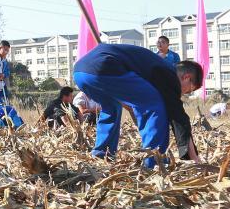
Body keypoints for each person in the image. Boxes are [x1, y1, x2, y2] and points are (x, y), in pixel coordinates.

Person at [73, 43, 203, 168]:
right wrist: (194, 158)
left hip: (81, 72)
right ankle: (155, 160)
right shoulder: (169, 75)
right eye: (189, 90)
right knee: (154, 104)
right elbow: (179, 118)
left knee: (111, 108)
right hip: (105, 66)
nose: (185, 93)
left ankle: (102, 153)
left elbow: (134, 99)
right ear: (186, 77)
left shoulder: (155, 68)